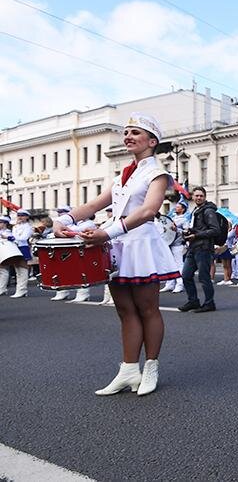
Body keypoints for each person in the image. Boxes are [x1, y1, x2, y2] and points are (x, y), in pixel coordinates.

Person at [53, 112, 180, 396]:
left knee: (148, 309)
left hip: (140, 245)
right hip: (119, 245)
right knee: (124, 310)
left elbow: (148, 211)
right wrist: (64, 221)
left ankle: (151, 366)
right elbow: (92, 205)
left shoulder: (157, 173)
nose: (128, 137)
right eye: (126, 133)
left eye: (135, 133)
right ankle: (127, 370)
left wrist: (108, 233)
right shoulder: (121, 176)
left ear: (152, 141)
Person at [48, 206, 96, 302]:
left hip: (81, 249)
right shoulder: (74, 224)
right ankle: (62, 291)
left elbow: (76, 232)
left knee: (81, 271)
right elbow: (52, 234)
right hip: (67, 248)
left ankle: (83, 293)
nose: (60, 214)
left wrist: (65, 230)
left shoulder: (89, 223)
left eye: (63, 212)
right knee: (63, 270)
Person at [160, 201, 188, 293]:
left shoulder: (184, 220)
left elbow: (186, 232)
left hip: (178, 244)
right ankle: (170, 284)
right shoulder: (172, 218)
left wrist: (177, 229)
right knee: (169, 264)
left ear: (183, 209)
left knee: (179, 265)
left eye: (178, 207)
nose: (176, 208)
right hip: (169, 244)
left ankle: (180, 284)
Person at [7, 209, 34, 298]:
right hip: (15, 247)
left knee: (22, 269)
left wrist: (13, 238)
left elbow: (24, 237)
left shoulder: (28, 227)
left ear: (27, 217)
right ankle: (19, 290)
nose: (20, 218)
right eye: (19, 216)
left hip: (23, 247)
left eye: (22, 216)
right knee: (17, 270)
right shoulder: (15, 227)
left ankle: (22, 290)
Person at [214, 219, 236, 285]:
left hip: (228, 248)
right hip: (222, 248)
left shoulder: (232, 231)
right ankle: (225, 278)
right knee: (224, 265)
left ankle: (229, 278)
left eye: (228, 223)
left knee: (228, 264)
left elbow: (228, 237)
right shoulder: (223, 230)